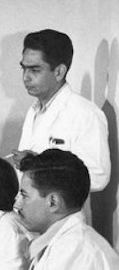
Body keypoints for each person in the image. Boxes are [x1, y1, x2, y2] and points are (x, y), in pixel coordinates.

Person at [11, 29, 109, 193]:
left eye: (35, 70)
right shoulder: (34, 111)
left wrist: (40, 165)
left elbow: (98, 177)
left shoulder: (85, 113)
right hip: (28, 210)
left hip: (60, 215)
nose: (26, 77)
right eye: (24, 68)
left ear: (59, 71)